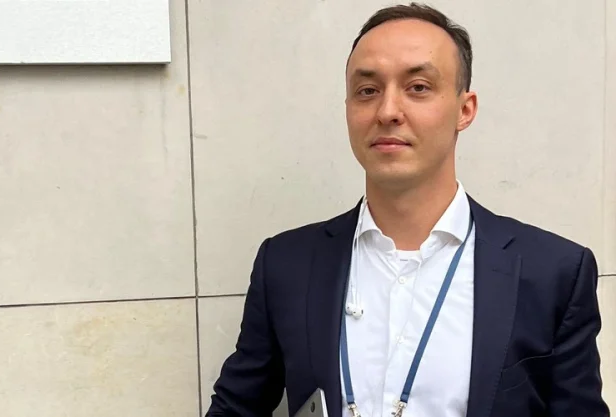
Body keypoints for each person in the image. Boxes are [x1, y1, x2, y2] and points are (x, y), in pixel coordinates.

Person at [205, 3, 609, 417]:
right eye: (367, 91)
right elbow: (236, 408)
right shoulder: (286, 265)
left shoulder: (551, 273)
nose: (387, 112)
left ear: (465, 110)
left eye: (418, 87)